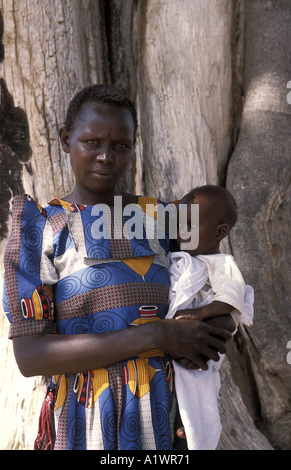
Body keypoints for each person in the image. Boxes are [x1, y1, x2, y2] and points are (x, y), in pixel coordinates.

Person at [3, 84, 233, 451]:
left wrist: (217, 325)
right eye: (92, 142)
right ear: (66, 140)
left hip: (170, 420)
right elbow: (31, 356)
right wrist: (157, 336)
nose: (106, 157)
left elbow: (220, 282)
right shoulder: (39, 228)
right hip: (85, 422)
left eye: (120, 146)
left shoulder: (163, 220)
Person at [166, 185, 254, 450]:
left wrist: (200, 313)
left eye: (191, 225)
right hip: (166, 349)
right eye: (179, 224)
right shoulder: (176, 256)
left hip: (198, 344)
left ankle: (189, 433)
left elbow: (231, 297)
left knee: (194, 400)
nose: (182, 232)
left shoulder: (221, 263)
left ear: (220, 232)